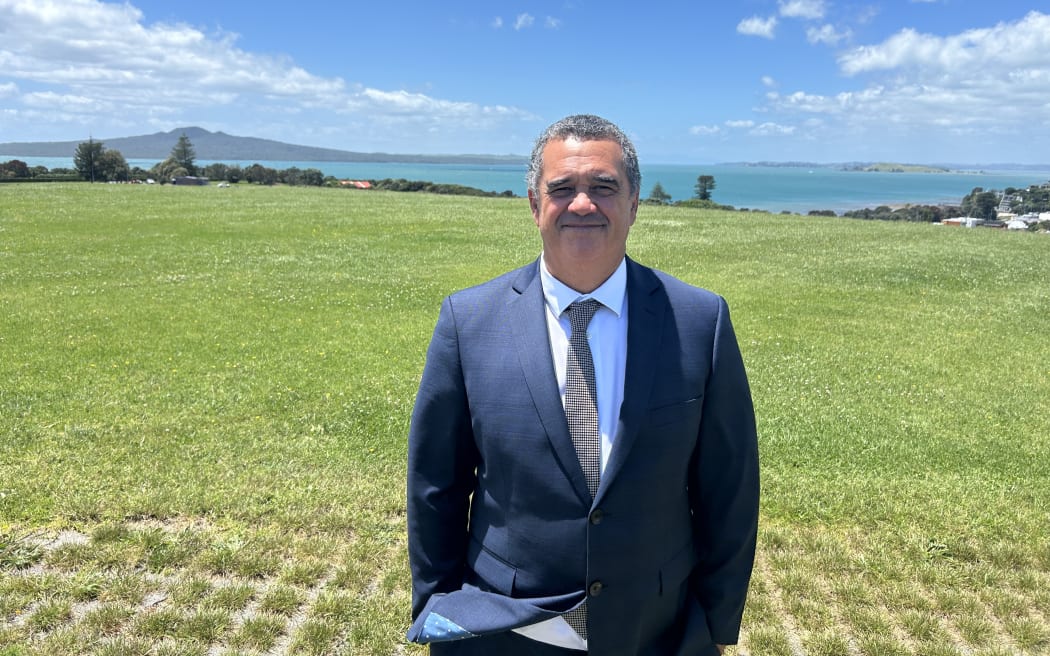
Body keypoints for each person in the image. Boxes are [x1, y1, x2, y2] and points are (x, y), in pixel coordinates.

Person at [406, 114, 759, 655]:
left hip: (654, 628)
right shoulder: (468, 321)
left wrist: (714, 625)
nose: (582, 204)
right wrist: (439, 609)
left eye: (603, 187)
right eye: (562, 188)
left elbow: (729, 489)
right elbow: (436, 485)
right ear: (533, 205)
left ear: (635, 203)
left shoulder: (698, 320)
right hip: (507, 628)